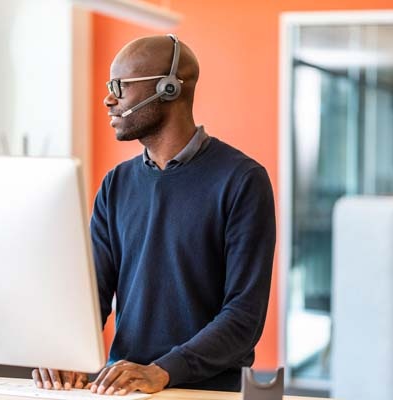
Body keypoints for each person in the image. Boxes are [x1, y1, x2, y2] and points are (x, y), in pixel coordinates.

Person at [32, 34, 276, 395]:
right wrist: (64, 353)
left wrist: (162, 371)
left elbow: (243, 318)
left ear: (168, 89)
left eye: (120, 86)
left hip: (205, 391)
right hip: (124, 387)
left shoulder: (242, 181)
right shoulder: (116, 184)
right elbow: (93, 295)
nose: (108, 99)